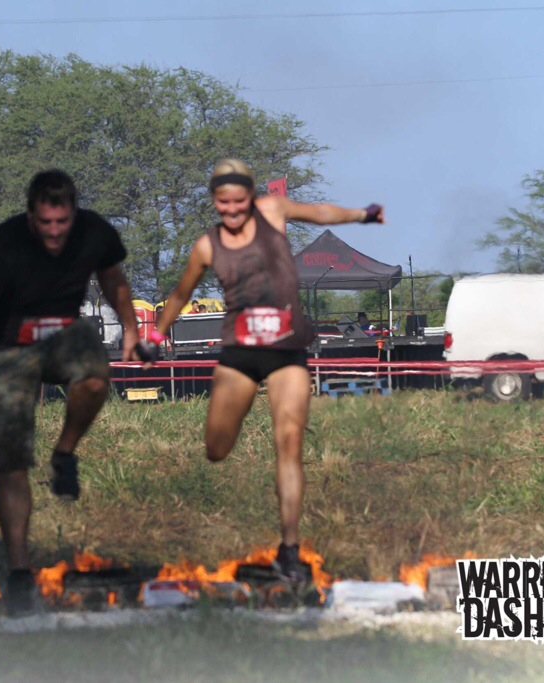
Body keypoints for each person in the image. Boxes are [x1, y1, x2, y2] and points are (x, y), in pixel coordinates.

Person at [149, 159, 384, 582]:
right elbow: (181, 293)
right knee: (216, 448)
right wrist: (155, 335)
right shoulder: (206, 246)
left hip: (286, 351)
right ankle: (227, 436)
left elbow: (321, 212)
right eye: (224, 203)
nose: (233, 210)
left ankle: (289, 549)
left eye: (240, 201)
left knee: (289, 442)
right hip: (239, 355)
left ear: (251, 196)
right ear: (214, 200)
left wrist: (362, 215)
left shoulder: (273, 211)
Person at [0, 169, 143, 616]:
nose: (54, 232)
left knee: (95, 375)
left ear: (74, 214)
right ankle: (19, 572)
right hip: (6, 350)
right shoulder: (2, 247)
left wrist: (130, 327)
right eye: (45, 223)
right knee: (12, 461)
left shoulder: (94, 233)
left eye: (62, 222)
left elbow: (113, 278)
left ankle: (64, 454)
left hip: (62, 335)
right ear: (30, 216)